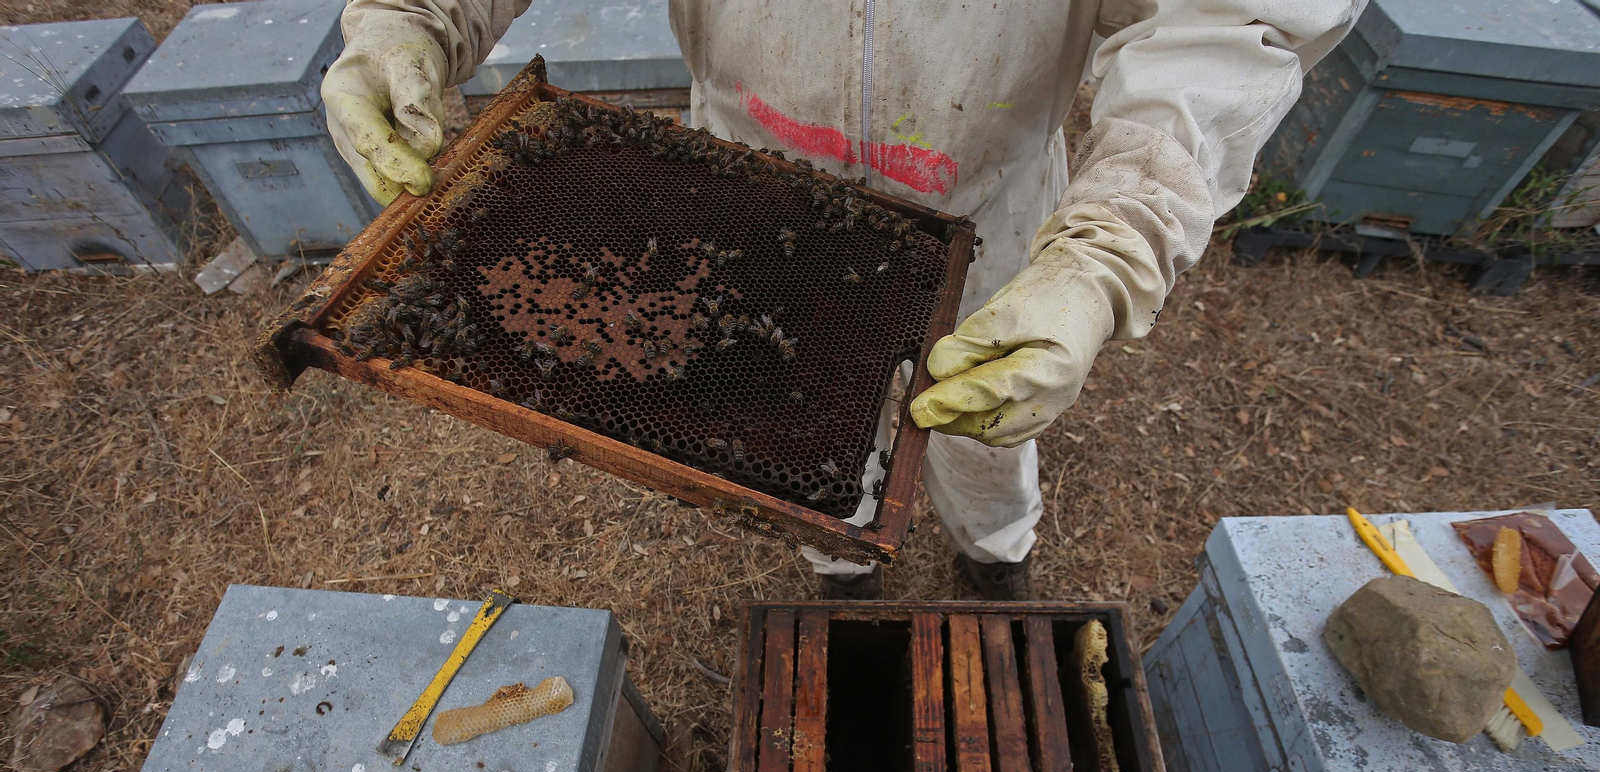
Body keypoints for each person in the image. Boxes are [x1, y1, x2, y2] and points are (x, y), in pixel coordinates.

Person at [322, 0, 1363, 602]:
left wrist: (1111, 243)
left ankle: (993, 553)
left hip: (985, 198)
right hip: (744, 190)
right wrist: (412, 16)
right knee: (782, 420)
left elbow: (1232, 22)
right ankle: (835, 552)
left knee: (984, 421)